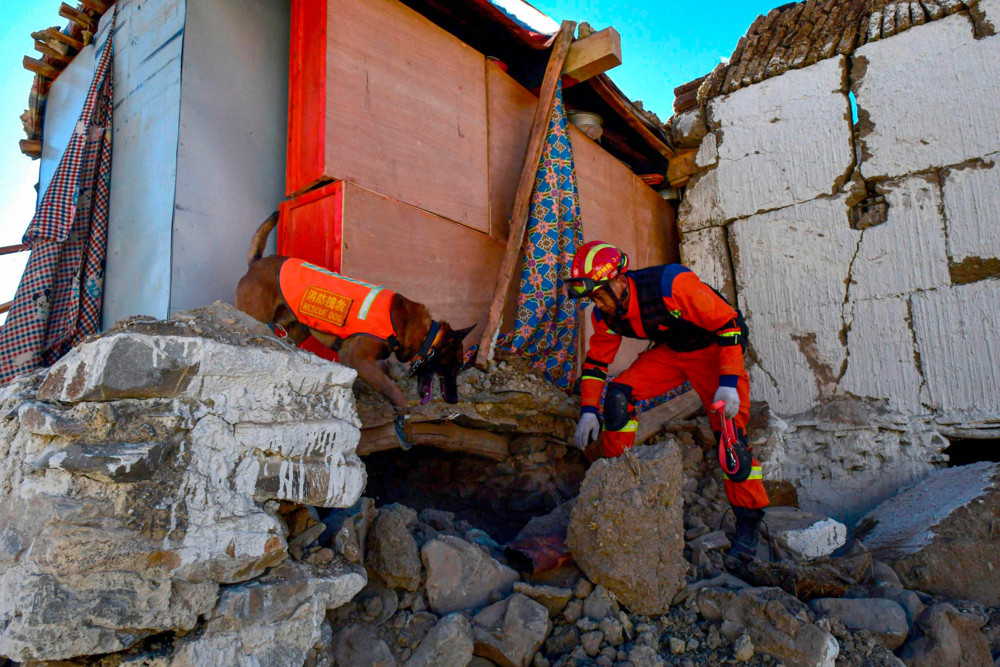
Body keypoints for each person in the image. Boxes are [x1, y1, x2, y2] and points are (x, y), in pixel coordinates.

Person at [566, 241, 769, 559]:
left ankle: (749, 522)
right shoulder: (606, 316)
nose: (598, 304)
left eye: (600, 294)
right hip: (673, 354)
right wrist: (589, 411)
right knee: (618, 398)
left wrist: (728, 382)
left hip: (716, 350)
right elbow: (595, 365)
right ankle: (616, 481)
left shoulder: (671, 285)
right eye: (591, 298)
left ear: (620, 280)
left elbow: (728, 324)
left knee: (731, 444)